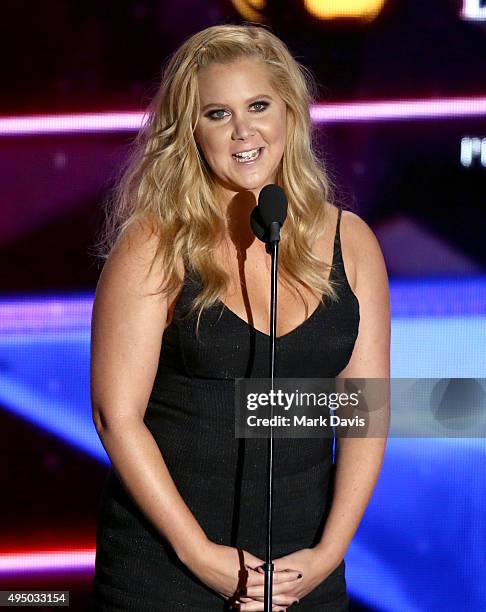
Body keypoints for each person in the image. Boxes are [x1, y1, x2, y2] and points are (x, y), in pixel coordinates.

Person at [90, 23, 390, 611]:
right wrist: (200, 553)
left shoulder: (349, 241)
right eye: (217, 114)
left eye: (258, 106)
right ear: (191, 132)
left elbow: (364, 409)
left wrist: (328, 554)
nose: (244, 131)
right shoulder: (155, 246)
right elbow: (115, 416)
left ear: (290, 114)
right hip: (168, 573)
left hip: (303, 575)